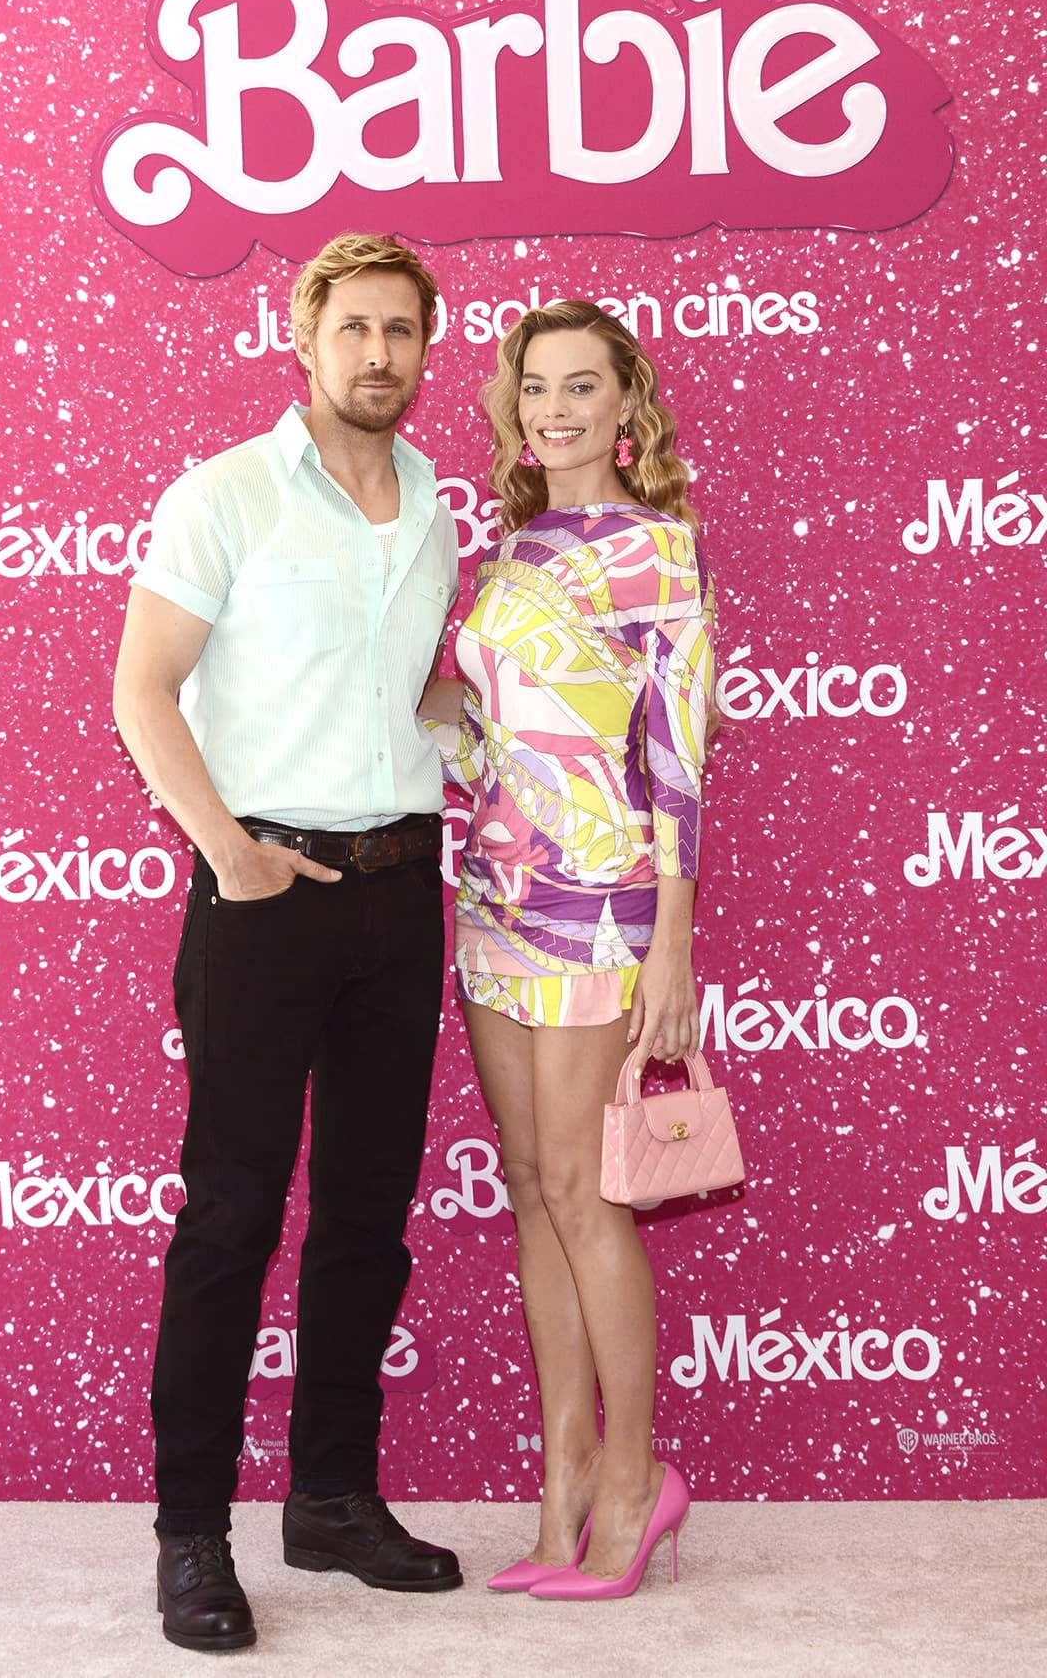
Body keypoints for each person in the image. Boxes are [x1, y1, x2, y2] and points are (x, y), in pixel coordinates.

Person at [113, 233, 463, 1654]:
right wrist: (232, 855)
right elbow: (143, 691)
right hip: (263, 895)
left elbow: (409, 688)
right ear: (304, 339)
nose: (379, 354)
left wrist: (490, 714)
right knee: (232, 1219)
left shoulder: (435, 504)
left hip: (403, 892)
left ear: (426, 348)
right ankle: (192, 1533)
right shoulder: (227, 493)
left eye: (402, 331)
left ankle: (330, 1499)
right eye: (354, 328)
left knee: (368, 1218)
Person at [420, 301, 715, 1601]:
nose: (553, 409)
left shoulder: (657, 552)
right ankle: (566, 1481)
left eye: (580, 385)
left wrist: (672, 948)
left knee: (589, 1196)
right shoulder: (513, 551)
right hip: (493, 893)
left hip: (602, 902)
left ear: (625, 405)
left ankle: (636, 1481)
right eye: (535, 387)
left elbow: (676, 761)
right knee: (536, 1185)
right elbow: (488, 738)